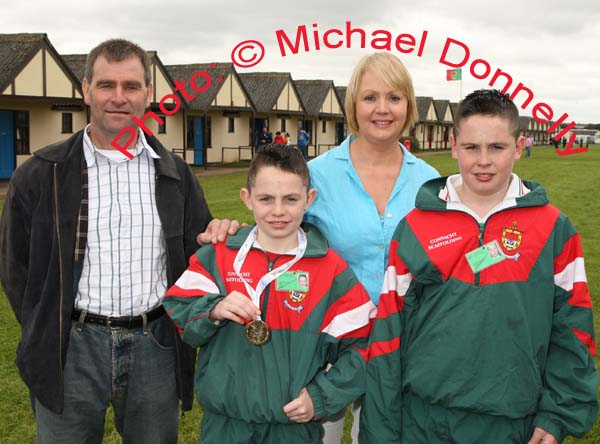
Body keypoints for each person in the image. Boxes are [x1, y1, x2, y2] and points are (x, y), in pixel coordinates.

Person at [198, 52, 440, 444]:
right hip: (322, 341)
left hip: (404, 340)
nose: (382, 109)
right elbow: (277, 230)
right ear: (353, 105)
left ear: (409, 106)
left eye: (394, 98)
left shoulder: (430, 182)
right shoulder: (319, 174)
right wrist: (230, 231)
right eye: (370, 97)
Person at [0, 38, 214, 443]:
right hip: (70, 349)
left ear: (148, 94)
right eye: (106, 85)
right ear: (85, 90)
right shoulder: (40, 173)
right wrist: (45, 326)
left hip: (156, 345)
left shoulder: (175, 175)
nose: (119, 98)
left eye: (131, 86)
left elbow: (197, 258)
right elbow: (15, 267)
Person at [360, 89, 598, 444]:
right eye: (472, 147)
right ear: (453, 145)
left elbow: (573, 329)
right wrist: (380, 429)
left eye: (497, 148)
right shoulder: (416, 227)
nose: (483, 160)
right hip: (425, 422)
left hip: (515, 422)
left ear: (518, 147)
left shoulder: (553, 228)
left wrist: (558, 412)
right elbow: (388, 334)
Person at [164, 144, 376, 444]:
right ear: (247, 199)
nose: (278, 211)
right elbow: (179, 307)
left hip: (292, 430)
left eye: (290, 199)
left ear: (309, 199)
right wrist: (213, 309)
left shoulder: (330, 271)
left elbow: (366, 345)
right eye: (266, 199)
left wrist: (322, 396)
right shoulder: (219, 256)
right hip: (225, 428)